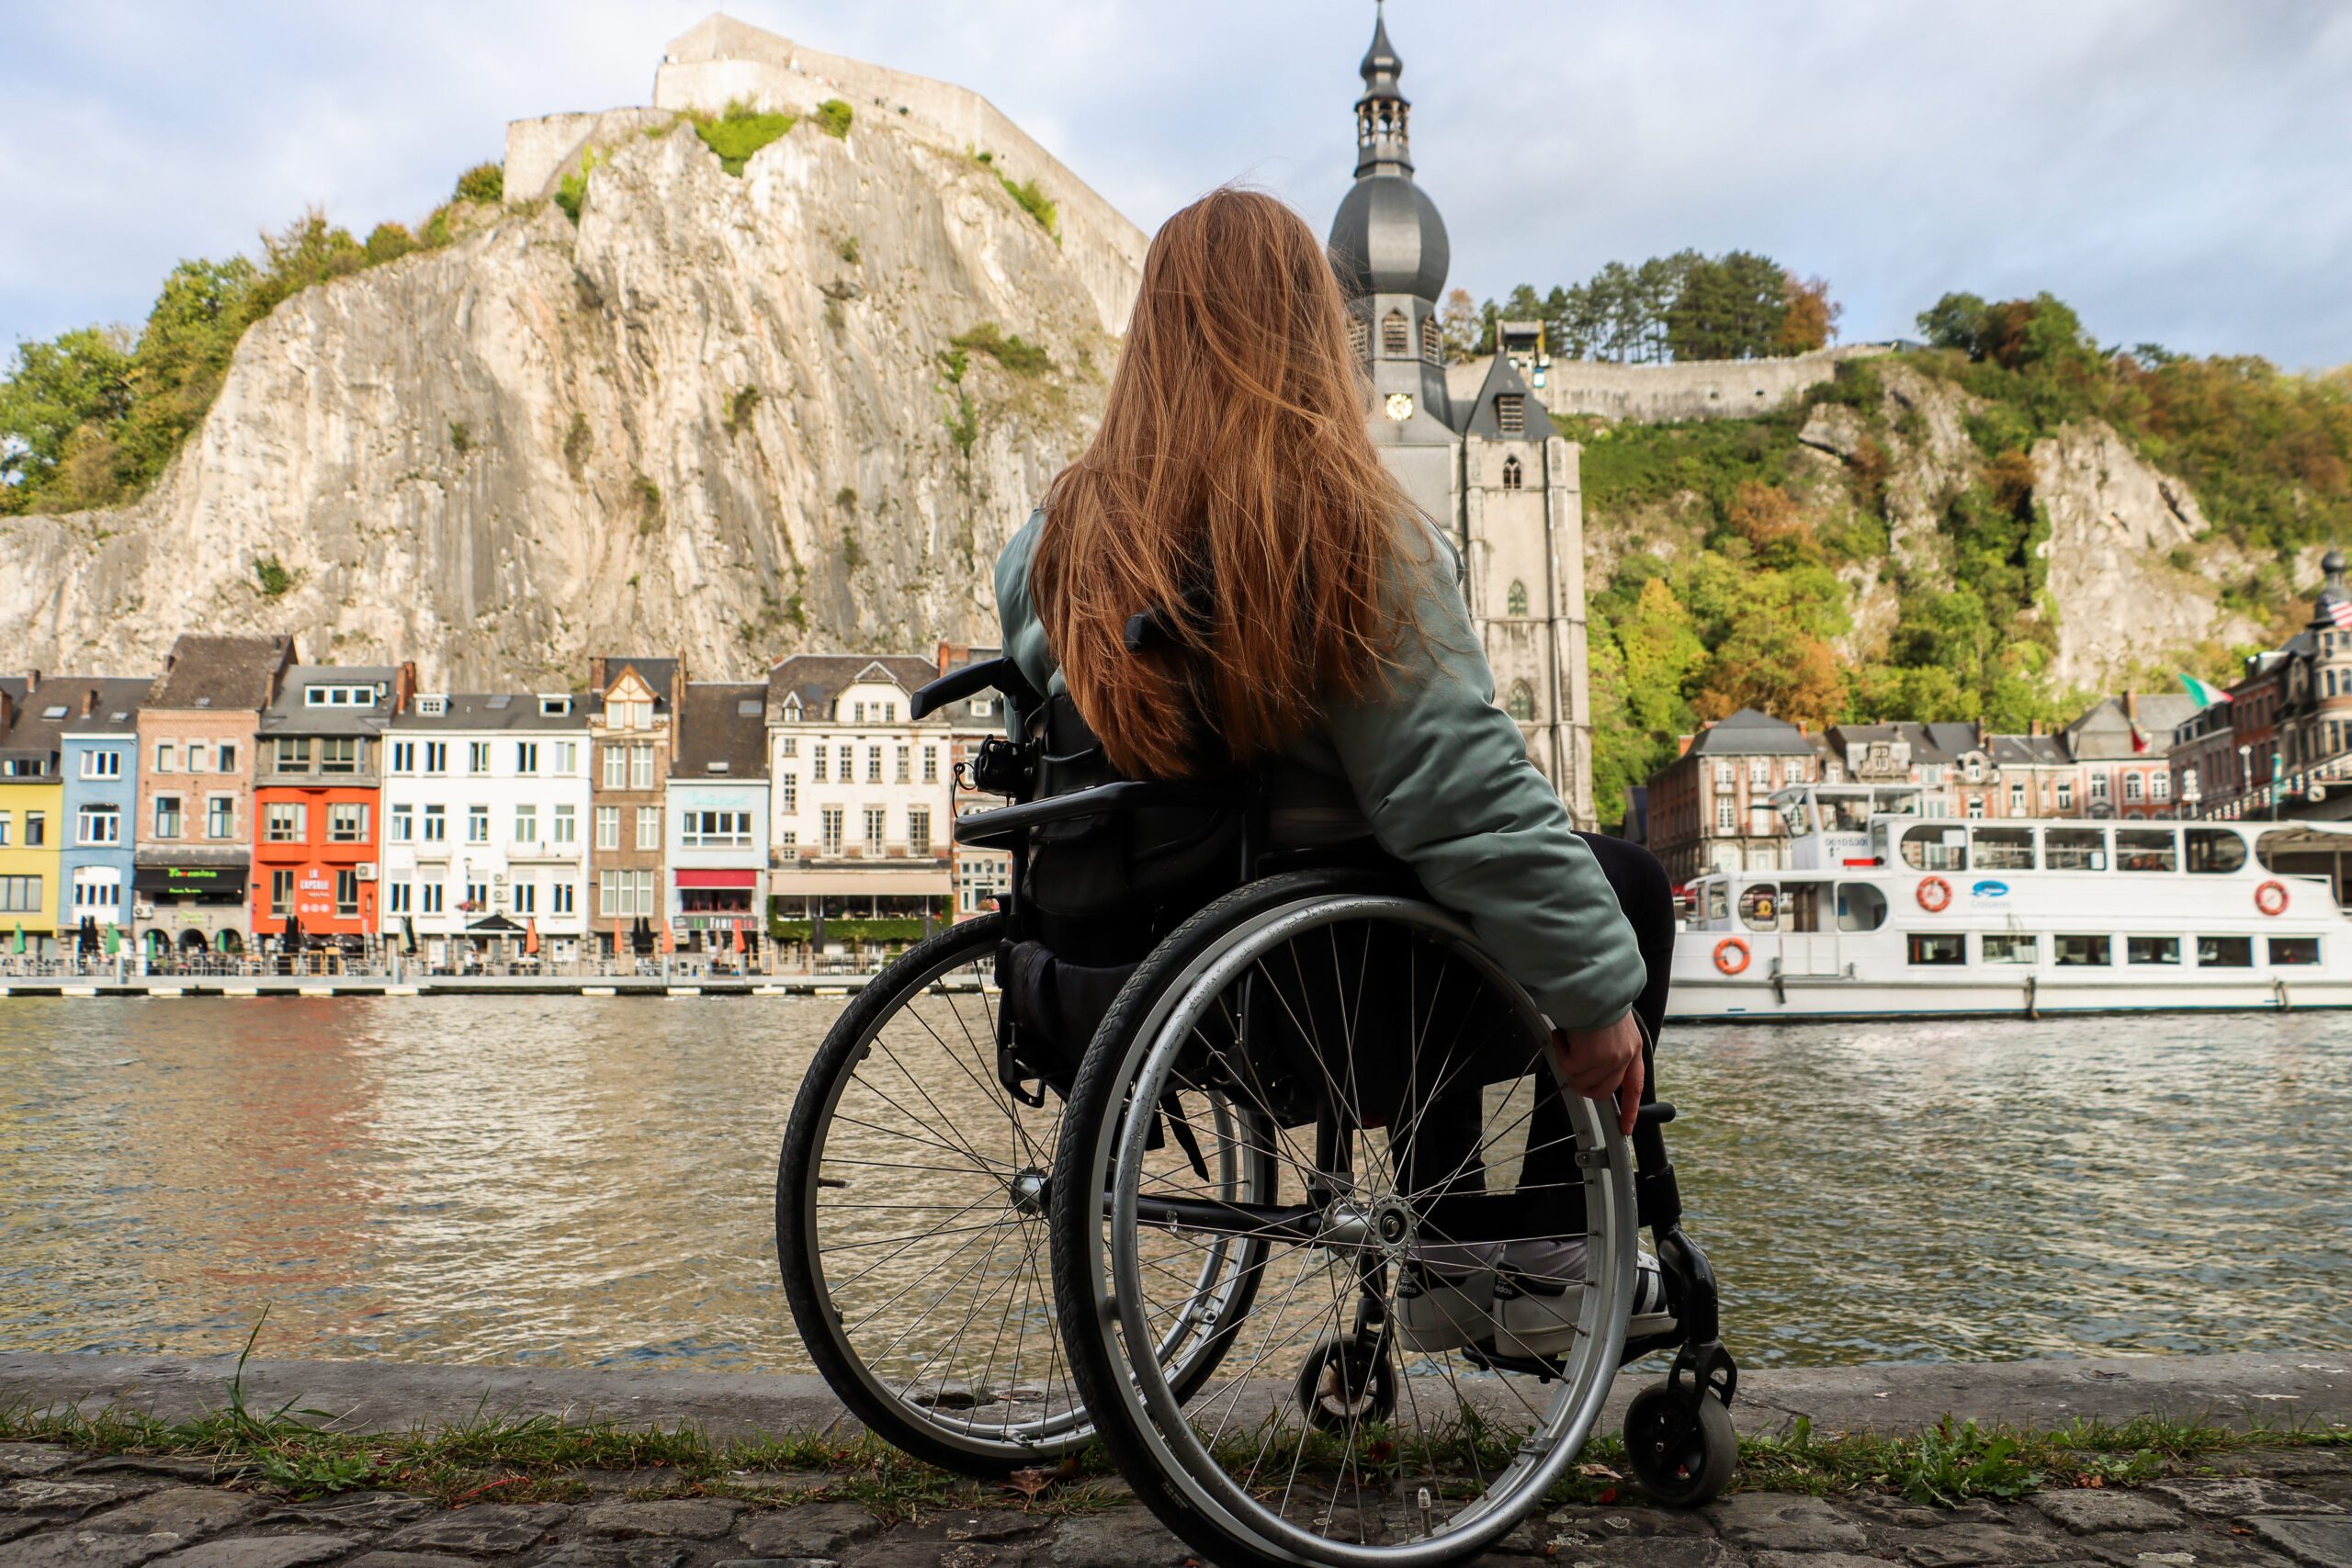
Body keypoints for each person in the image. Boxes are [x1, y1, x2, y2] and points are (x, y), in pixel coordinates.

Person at [993, 186, 1677, 1353]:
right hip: (1316, 997)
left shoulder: (1056, 550)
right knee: (1621, 892)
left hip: (1130, 982)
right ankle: (1529, 1258)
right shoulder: (1347, 531)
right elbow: (1464, 793)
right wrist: (1598, 995)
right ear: (1317, 332)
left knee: (1401, 865)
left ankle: (1452, 1246)